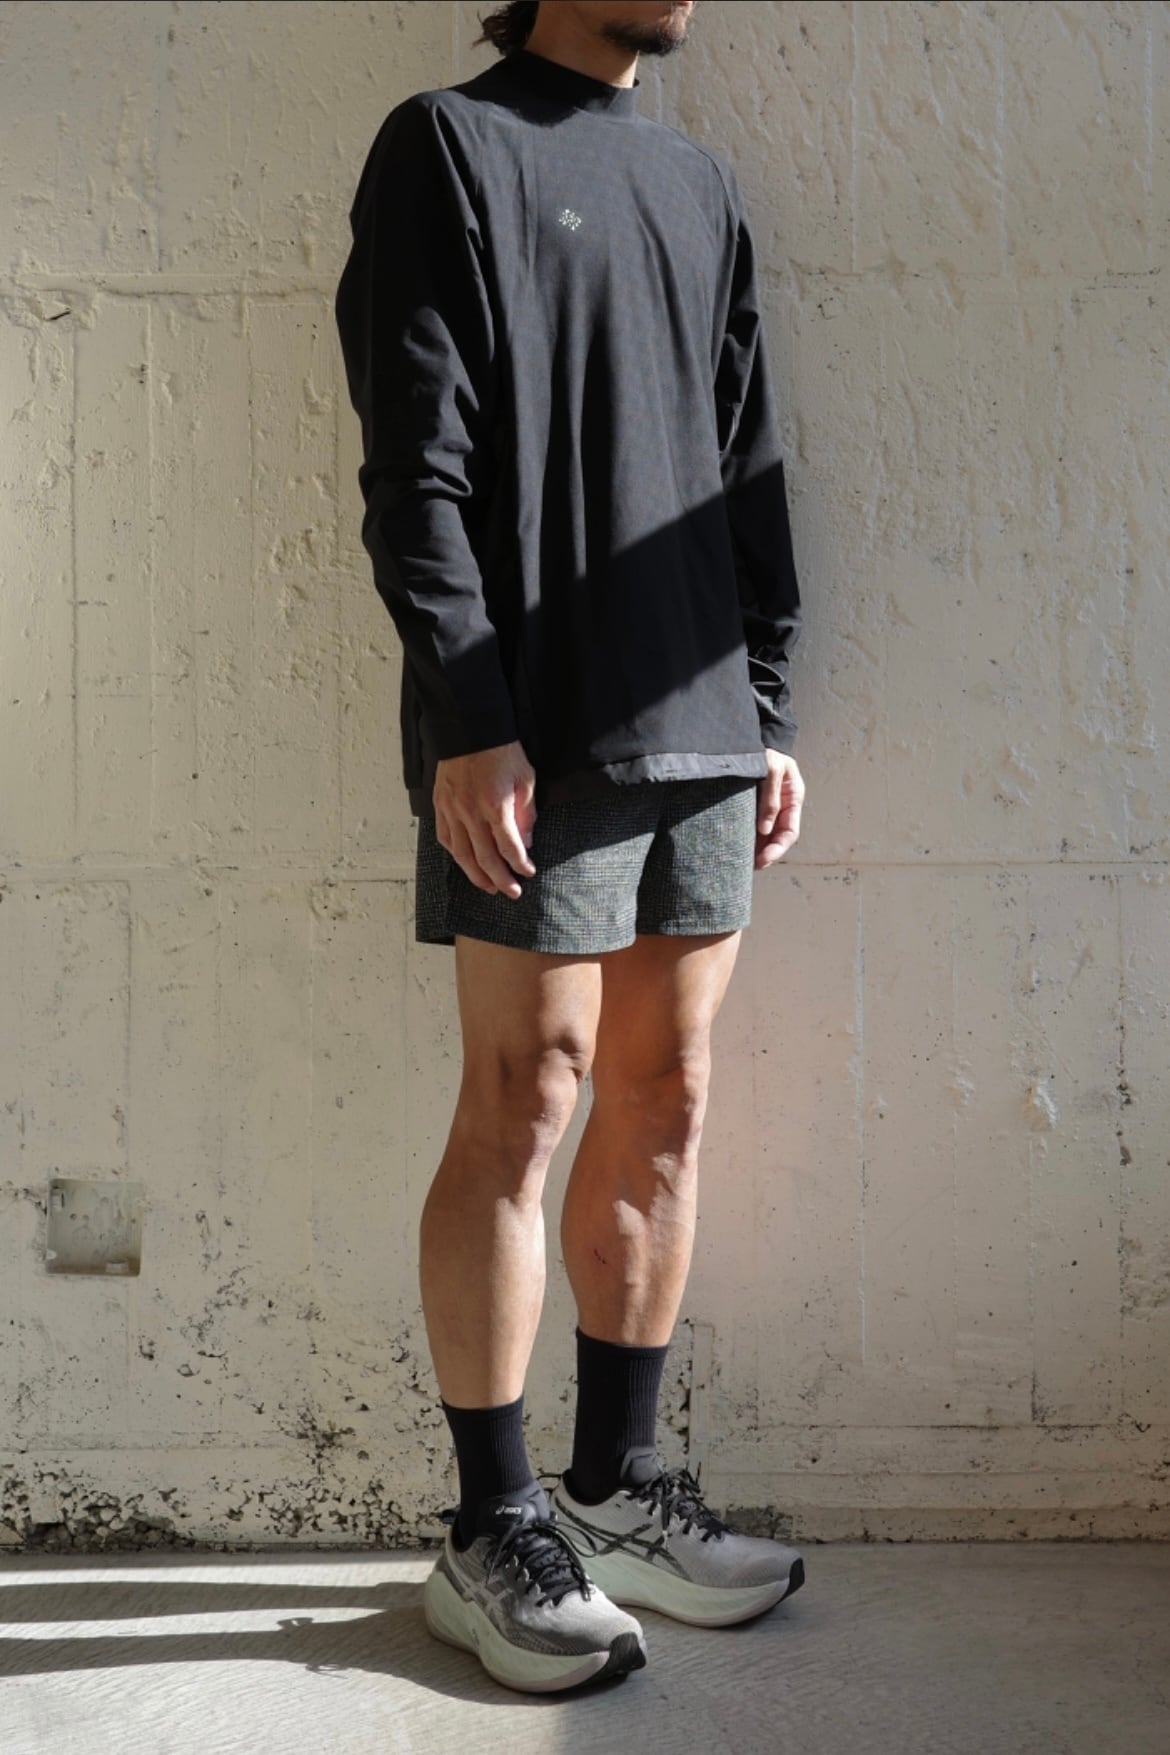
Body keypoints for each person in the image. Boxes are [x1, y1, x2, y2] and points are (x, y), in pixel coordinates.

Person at [334, 0, 806, 1694]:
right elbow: (415, 460)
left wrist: (765, 702)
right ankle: (489, 1527)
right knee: (524, 1100)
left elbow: (745, 454)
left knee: (663, 1101)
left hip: (703, 727)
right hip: (530, 733)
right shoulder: (443, 146)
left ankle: (615, 1490)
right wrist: (468, 714)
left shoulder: (698, 183)